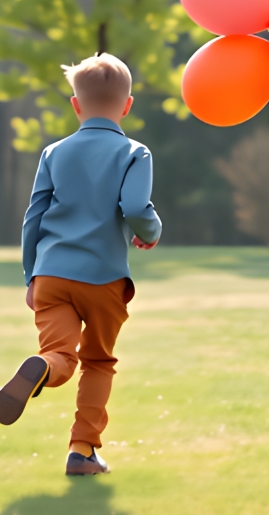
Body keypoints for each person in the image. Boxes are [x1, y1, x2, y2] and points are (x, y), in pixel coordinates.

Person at [0, 54, 162, 475]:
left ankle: (44, 367)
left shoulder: (54, 152)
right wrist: (151, 230)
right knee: (98, 362)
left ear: (76, 105)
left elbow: (33, 217)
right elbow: (135, 207)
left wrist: (31, 276)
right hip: (104, 278)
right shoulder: (134, 152)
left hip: (51, 275)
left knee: (59, 354)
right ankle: (82, 450)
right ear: (127, 106)